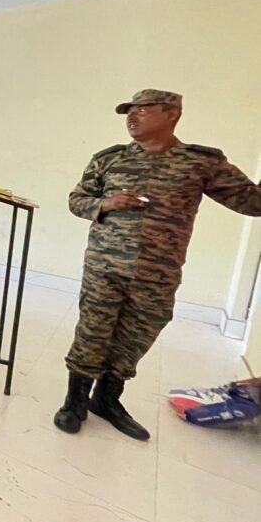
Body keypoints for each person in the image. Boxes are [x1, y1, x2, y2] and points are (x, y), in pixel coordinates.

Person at [55, 89, 261, 441]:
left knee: (136, 337)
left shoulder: (200, 162)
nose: (132, 117)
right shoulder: (109, 160)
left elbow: (252, 202)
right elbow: (77, 200)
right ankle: (74, 403)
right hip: (105, 266)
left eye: (143, 110)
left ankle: (106, 400)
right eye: (129, 112)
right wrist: (105, 203)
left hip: (159, 272)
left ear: (171, 115)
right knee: (93, 332)